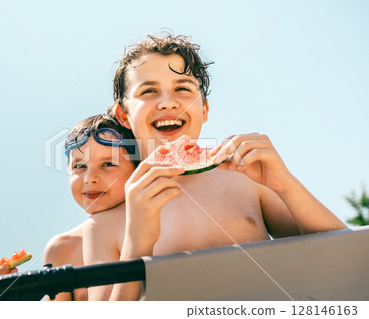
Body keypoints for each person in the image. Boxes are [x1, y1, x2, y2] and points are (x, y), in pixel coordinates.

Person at [83, 34, 347, 300]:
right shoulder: (104, 224)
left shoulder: (248, 180)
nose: (168, 102)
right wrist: (136, 244)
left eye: (183, 89)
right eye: (148, 91)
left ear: (205, 109)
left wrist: (286, 185)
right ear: (123, 115)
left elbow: (348, 257)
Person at [0, 114, 138, 301]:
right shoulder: (62, 248)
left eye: (108, 164)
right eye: (79, 166)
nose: (89, 178)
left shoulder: (162, 220)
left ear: (138, 168)